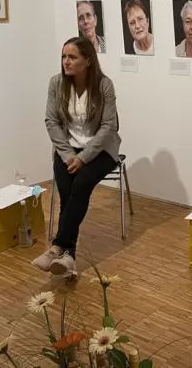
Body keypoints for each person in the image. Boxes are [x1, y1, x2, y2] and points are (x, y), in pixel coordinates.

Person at [33, 36, 121, 277]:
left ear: (88, 61)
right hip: (66, 149)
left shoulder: (104, 85)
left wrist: (84, 158)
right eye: (63, 57)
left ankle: (58, 247)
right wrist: (69, 154)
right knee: (67, 191)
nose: (66, 62)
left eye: (72, 57)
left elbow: (109, 126)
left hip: (101, 150)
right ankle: (69, 257)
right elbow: (51, 122)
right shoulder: (56, 84)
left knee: (80, 185)